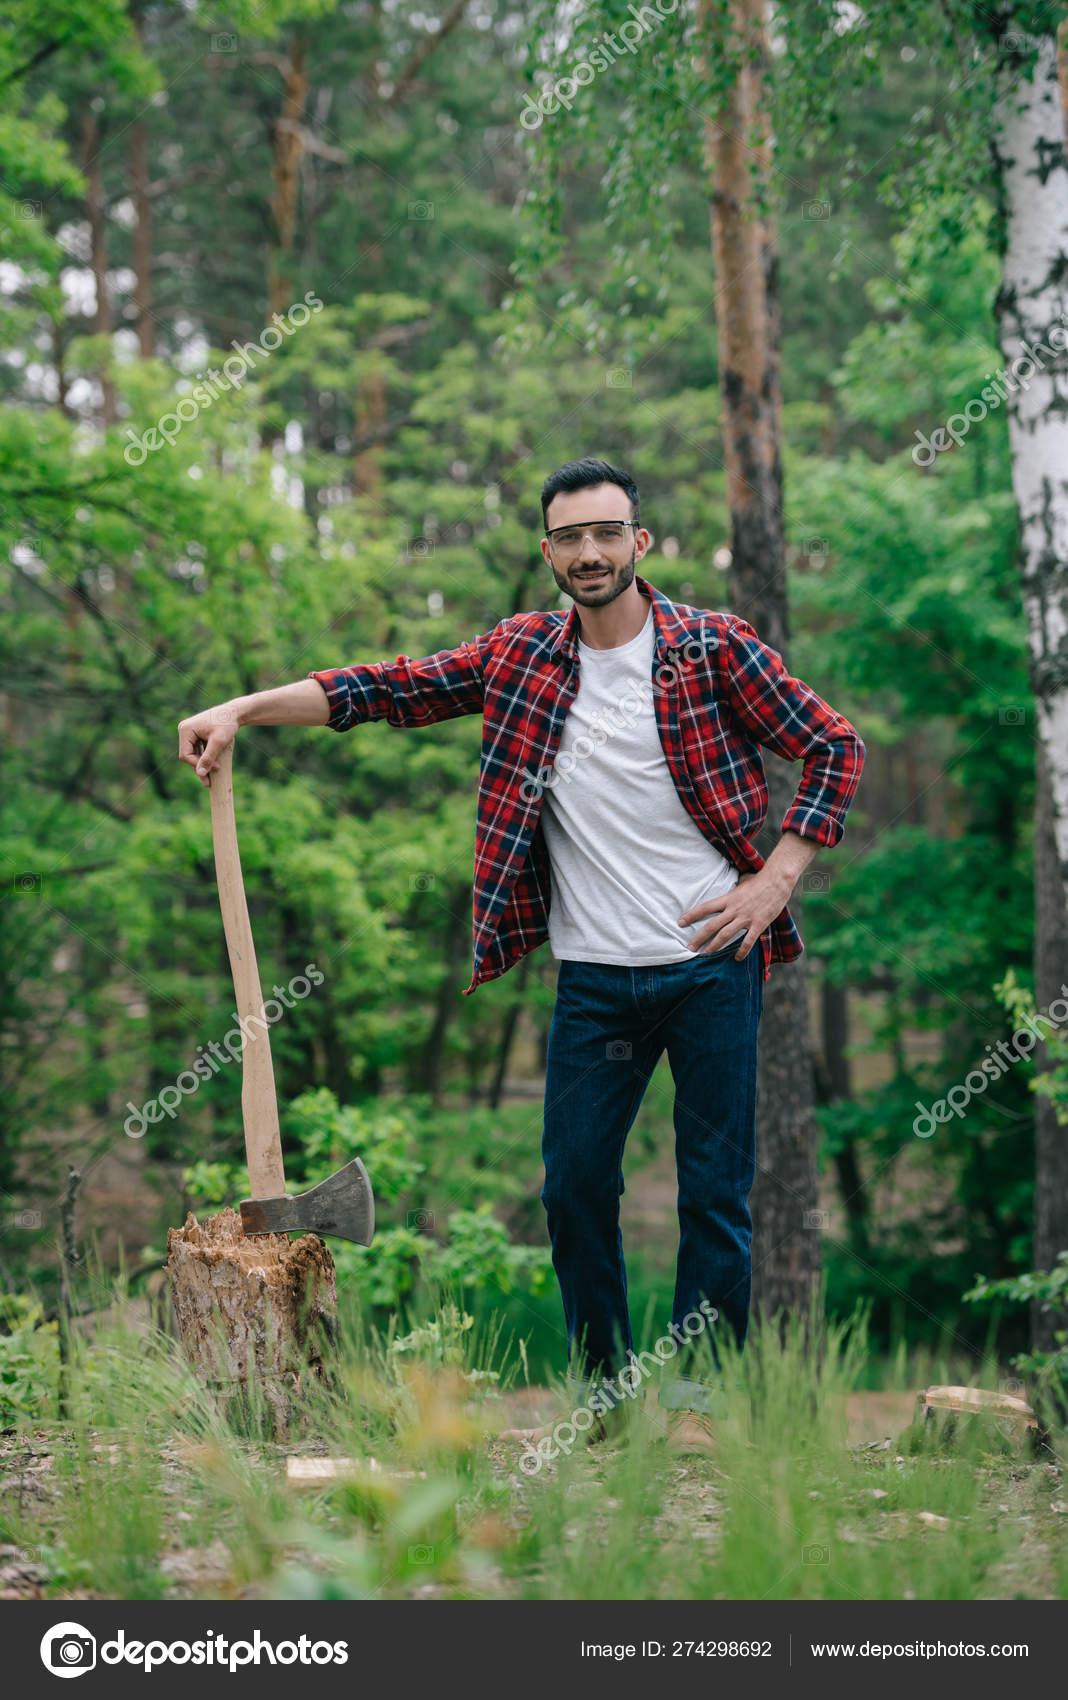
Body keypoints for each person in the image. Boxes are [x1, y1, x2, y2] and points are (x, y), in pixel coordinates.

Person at [178, 456, 865, 1458]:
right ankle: (605, 1391)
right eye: (569, 538)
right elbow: (384, 689)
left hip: (712, 965)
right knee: (574, 1187)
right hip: (594, 979)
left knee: (715, 1191)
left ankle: (699, 1405)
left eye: (606, 532)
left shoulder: (713, 648)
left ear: (641, 540)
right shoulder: (521, 656)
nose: (589, 553)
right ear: (549, 551)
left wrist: (775, 880)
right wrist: (240, 708)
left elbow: (833, 745)